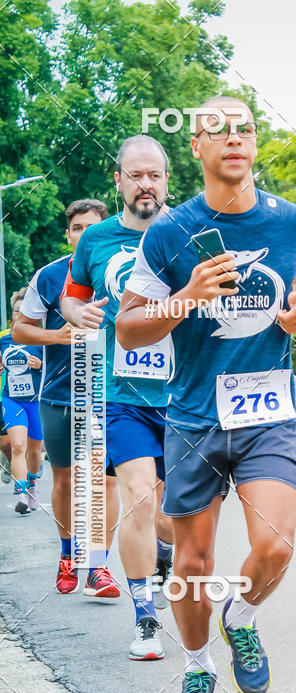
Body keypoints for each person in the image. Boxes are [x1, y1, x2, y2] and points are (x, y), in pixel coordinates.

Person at [116, 95, 296, 693]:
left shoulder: (292, 223)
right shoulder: (169, 232)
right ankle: (198, 668)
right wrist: (186, 296)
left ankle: (241, 616)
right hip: (194, 418)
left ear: (255, 144)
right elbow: (128, 328)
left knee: (276, 547)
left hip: (266, 414)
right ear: (197, 146)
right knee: (191, 565)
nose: (234, 139)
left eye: (245, 130)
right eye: (219, 130)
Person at [61, 135, 174, 659]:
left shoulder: (191, 232)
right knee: (140, 498)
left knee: (174, 514)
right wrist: (75, 312)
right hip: (120, 392)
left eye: (154, 175)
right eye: (135, 175)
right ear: (119, 181)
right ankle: (145, 616)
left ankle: (163, 555)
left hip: (184, 395)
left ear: (167, 180)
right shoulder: (97, 238)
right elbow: (72, 297)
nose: (145, 184)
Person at [13, 199, 121, 594]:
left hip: (110, 394)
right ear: (68, 234)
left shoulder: (122, 269)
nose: (84, 234)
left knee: (104, 481)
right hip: (59, 394)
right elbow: (21, 329)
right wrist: (56, 336)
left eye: (92, 227)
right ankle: (67, 555)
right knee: (66, 480)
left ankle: (98, 566)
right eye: (77, 228)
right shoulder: (50, 275)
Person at [0, 290, 43, 514]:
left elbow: (57, 370)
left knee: (34, 452)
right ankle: (22, 494)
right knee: (17, 446)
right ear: (13, 315)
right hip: (12, 400)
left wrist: (42, 366)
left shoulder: (43, 338)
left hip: (37, 402)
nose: (20, 314)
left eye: (24, 310)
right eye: (17, 310)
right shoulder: (3, 339)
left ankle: (32, 483)